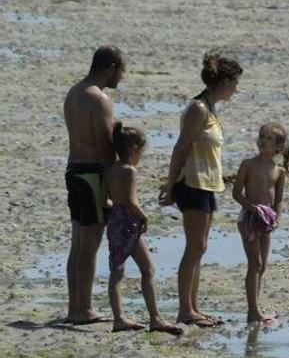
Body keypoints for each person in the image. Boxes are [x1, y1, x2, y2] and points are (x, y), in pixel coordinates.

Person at [159, 53, 242, 327]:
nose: (236, 89)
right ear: (225, 81)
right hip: (191, 183)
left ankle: (193, 307)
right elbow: (180, 148)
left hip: (207, 184)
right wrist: (170, 186)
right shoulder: (198, 108)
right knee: (194, 246)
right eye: (234, 83)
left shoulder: (210, 107)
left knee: (201, 247)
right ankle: (185, 310)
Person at [63, 45, 125, 324]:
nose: (120, 78)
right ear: (110, 67)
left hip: (74, 169)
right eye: (120, 71)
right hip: (92, 174)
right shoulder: (98, 98)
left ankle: (74, 306)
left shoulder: (74, 93)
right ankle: (83, 309)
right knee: (90, 244)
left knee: (77, 242)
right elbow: (104, 145)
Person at [105, 123, 182, 335]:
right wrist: (144, 216)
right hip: (128, 222)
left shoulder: (111, 169)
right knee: (148, 270)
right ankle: (155, 318)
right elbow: (131, 201)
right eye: (142, 152)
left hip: (114, 220)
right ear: (134, 149)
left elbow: (108, 199)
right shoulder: (129, 171)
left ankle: (119, 317)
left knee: (116, 271)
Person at [232, 123, 289, 324]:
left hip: (266, 221)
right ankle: (252, 310)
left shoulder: (279, 171)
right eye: (261, 136)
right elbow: (236, 193)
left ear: (278, 147)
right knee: (254, 263)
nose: (262, 141)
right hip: (249, 219)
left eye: (268, 138)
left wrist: (277, 217)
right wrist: (251, 208)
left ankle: (256, 306)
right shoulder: (248, 165)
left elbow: (279, 199)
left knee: (263, 265)